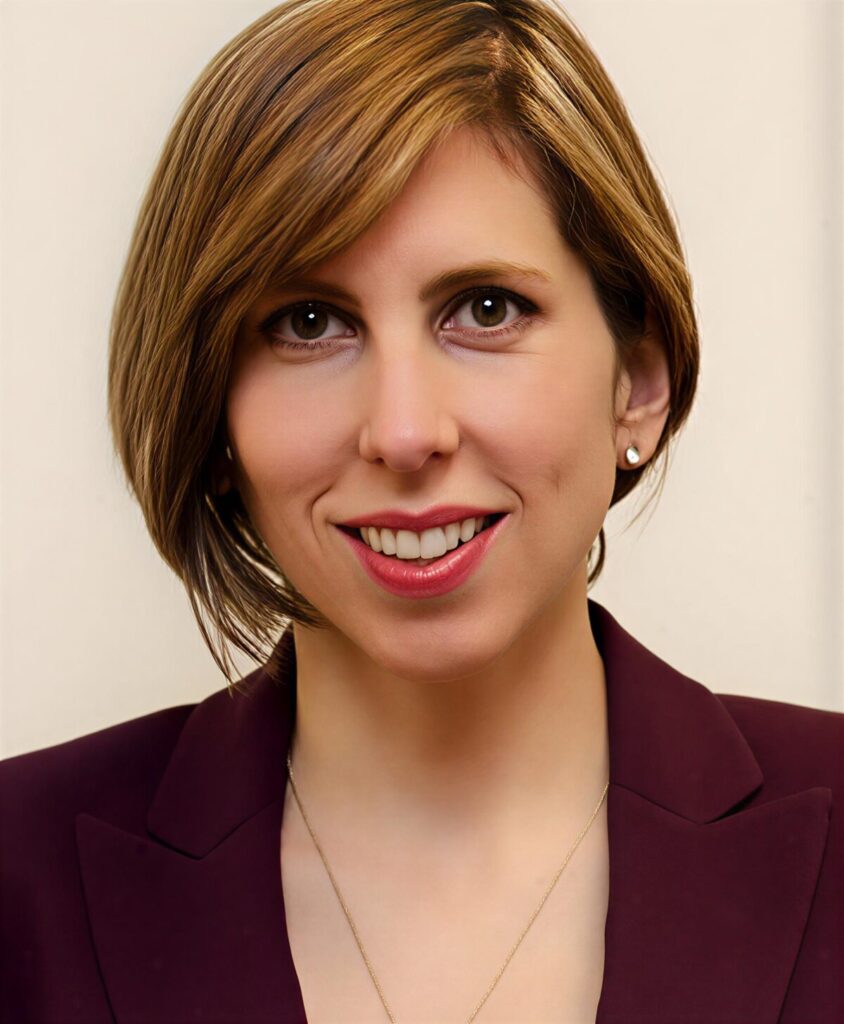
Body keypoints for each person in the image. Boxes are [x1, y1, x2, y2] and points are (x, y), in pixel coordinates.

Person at [1, 0, 841, 1020]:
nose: (403, 432)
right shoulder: (17, 879)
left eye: (486, 309)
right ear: (210, 412)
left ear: (640, 381)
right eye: (308, 323)